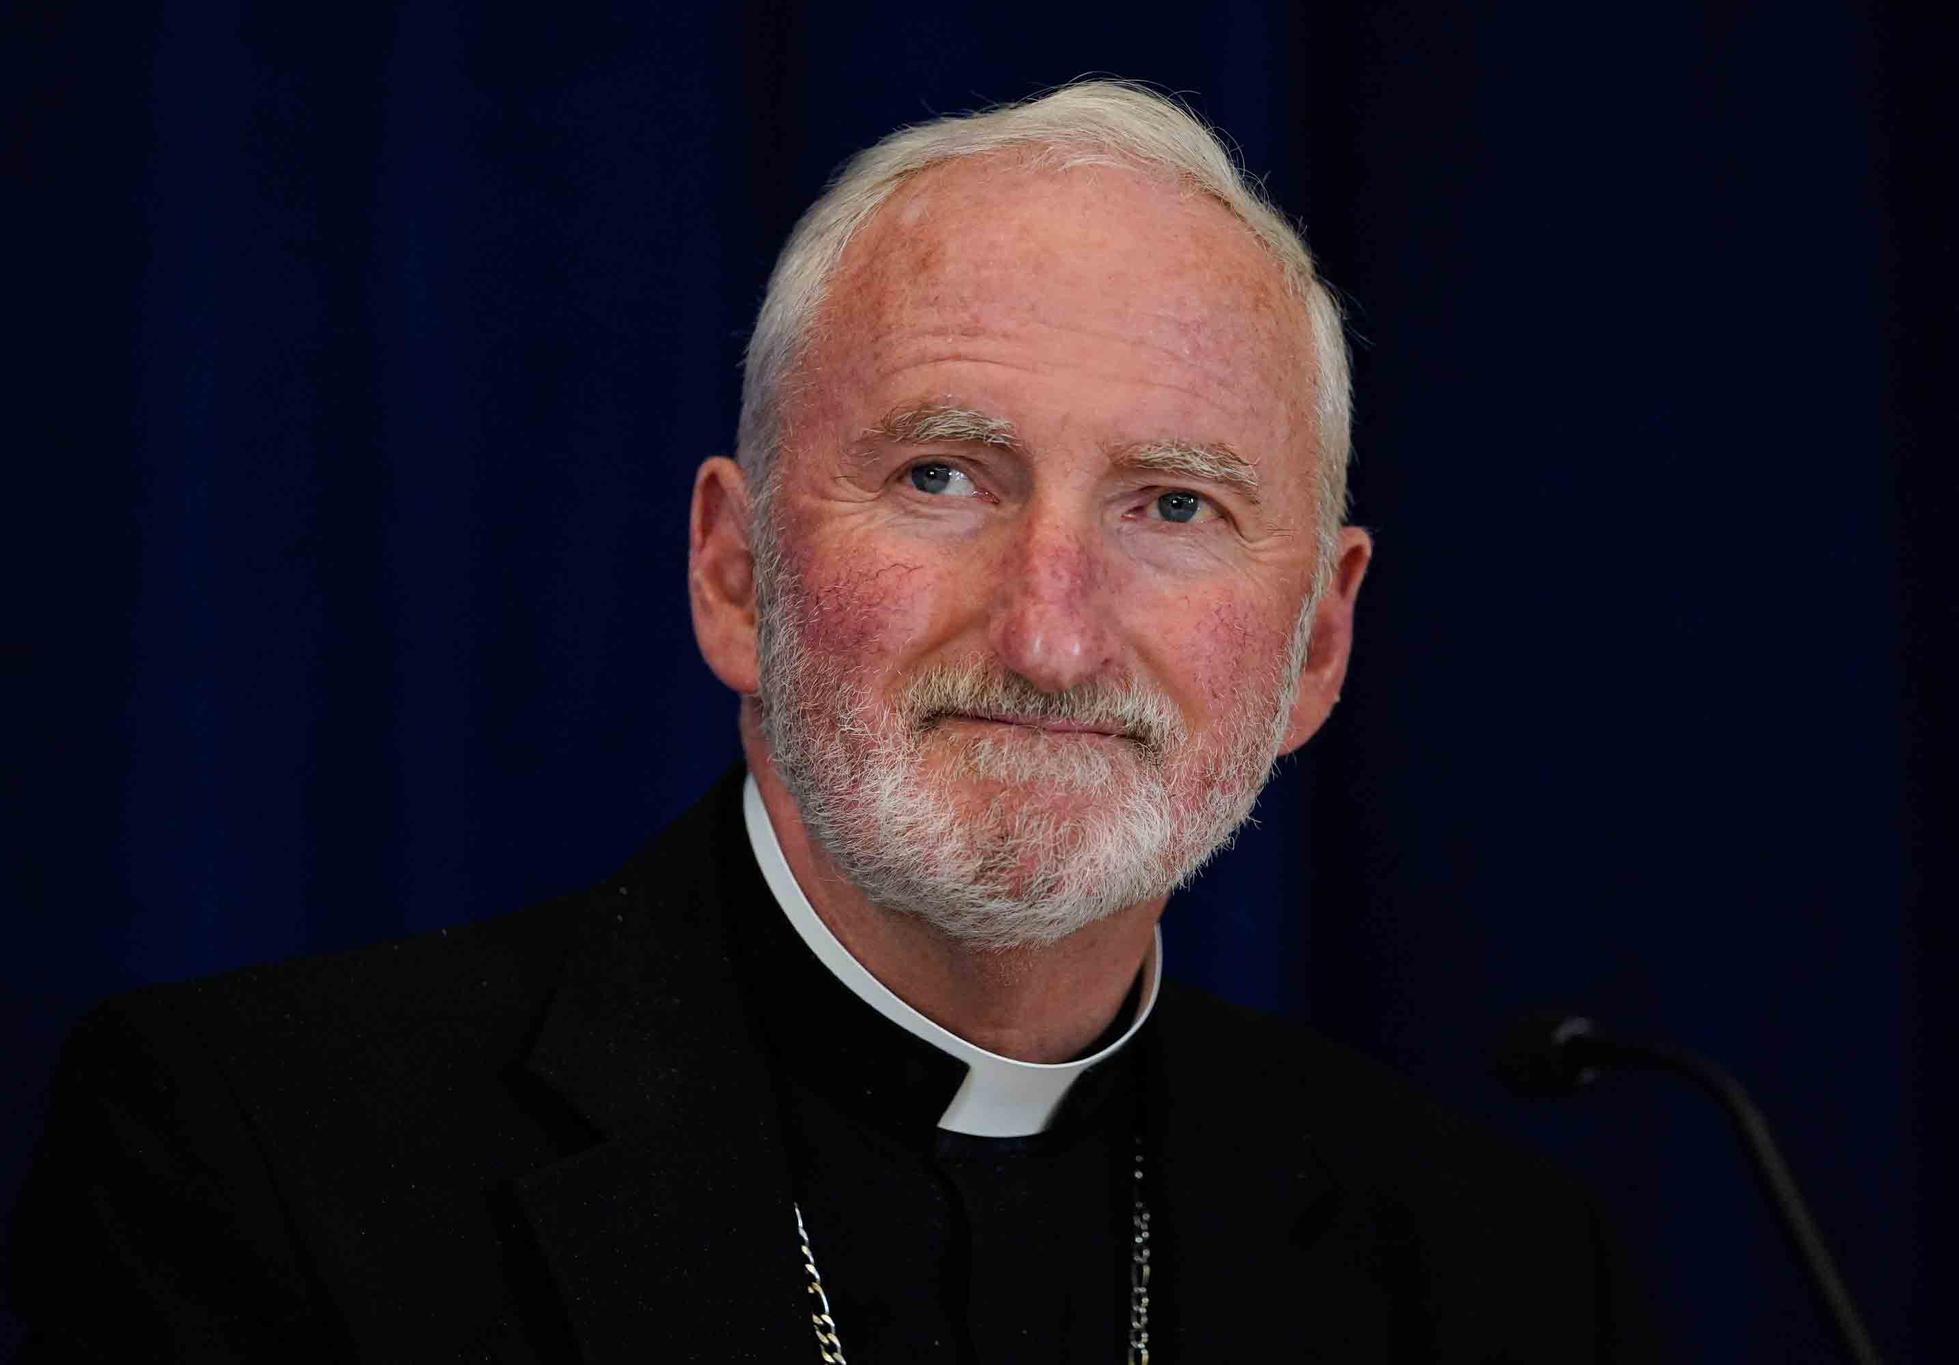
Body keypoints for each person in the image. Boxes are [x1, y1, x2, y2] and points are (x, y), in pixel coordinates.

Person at [9, 82, 1648, 1361]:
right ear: (734, 572)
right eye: (943, 477)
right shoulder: (268, 1158)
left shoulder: (1491, 1274)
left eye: (1174, 503)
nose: (1053, 631)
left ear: (1316, 647)